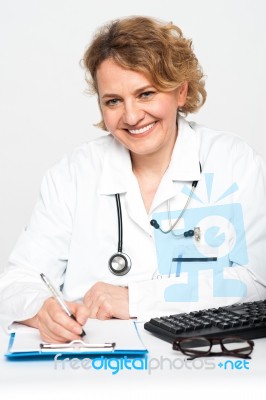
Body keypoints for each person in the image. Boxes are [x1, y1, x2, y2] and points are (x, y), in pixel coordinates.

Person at [0, 16, 266, 343]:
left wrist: (137, 298)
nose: (131, 116)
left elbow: (257, 280)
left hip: (201, 362)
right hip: (91, 366)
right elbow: (18, 282)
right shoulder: (73, 174)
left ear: (180, 91)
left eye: (145, 94)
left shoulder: (232, 162)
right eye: (113, 101)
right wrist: (40, 309)